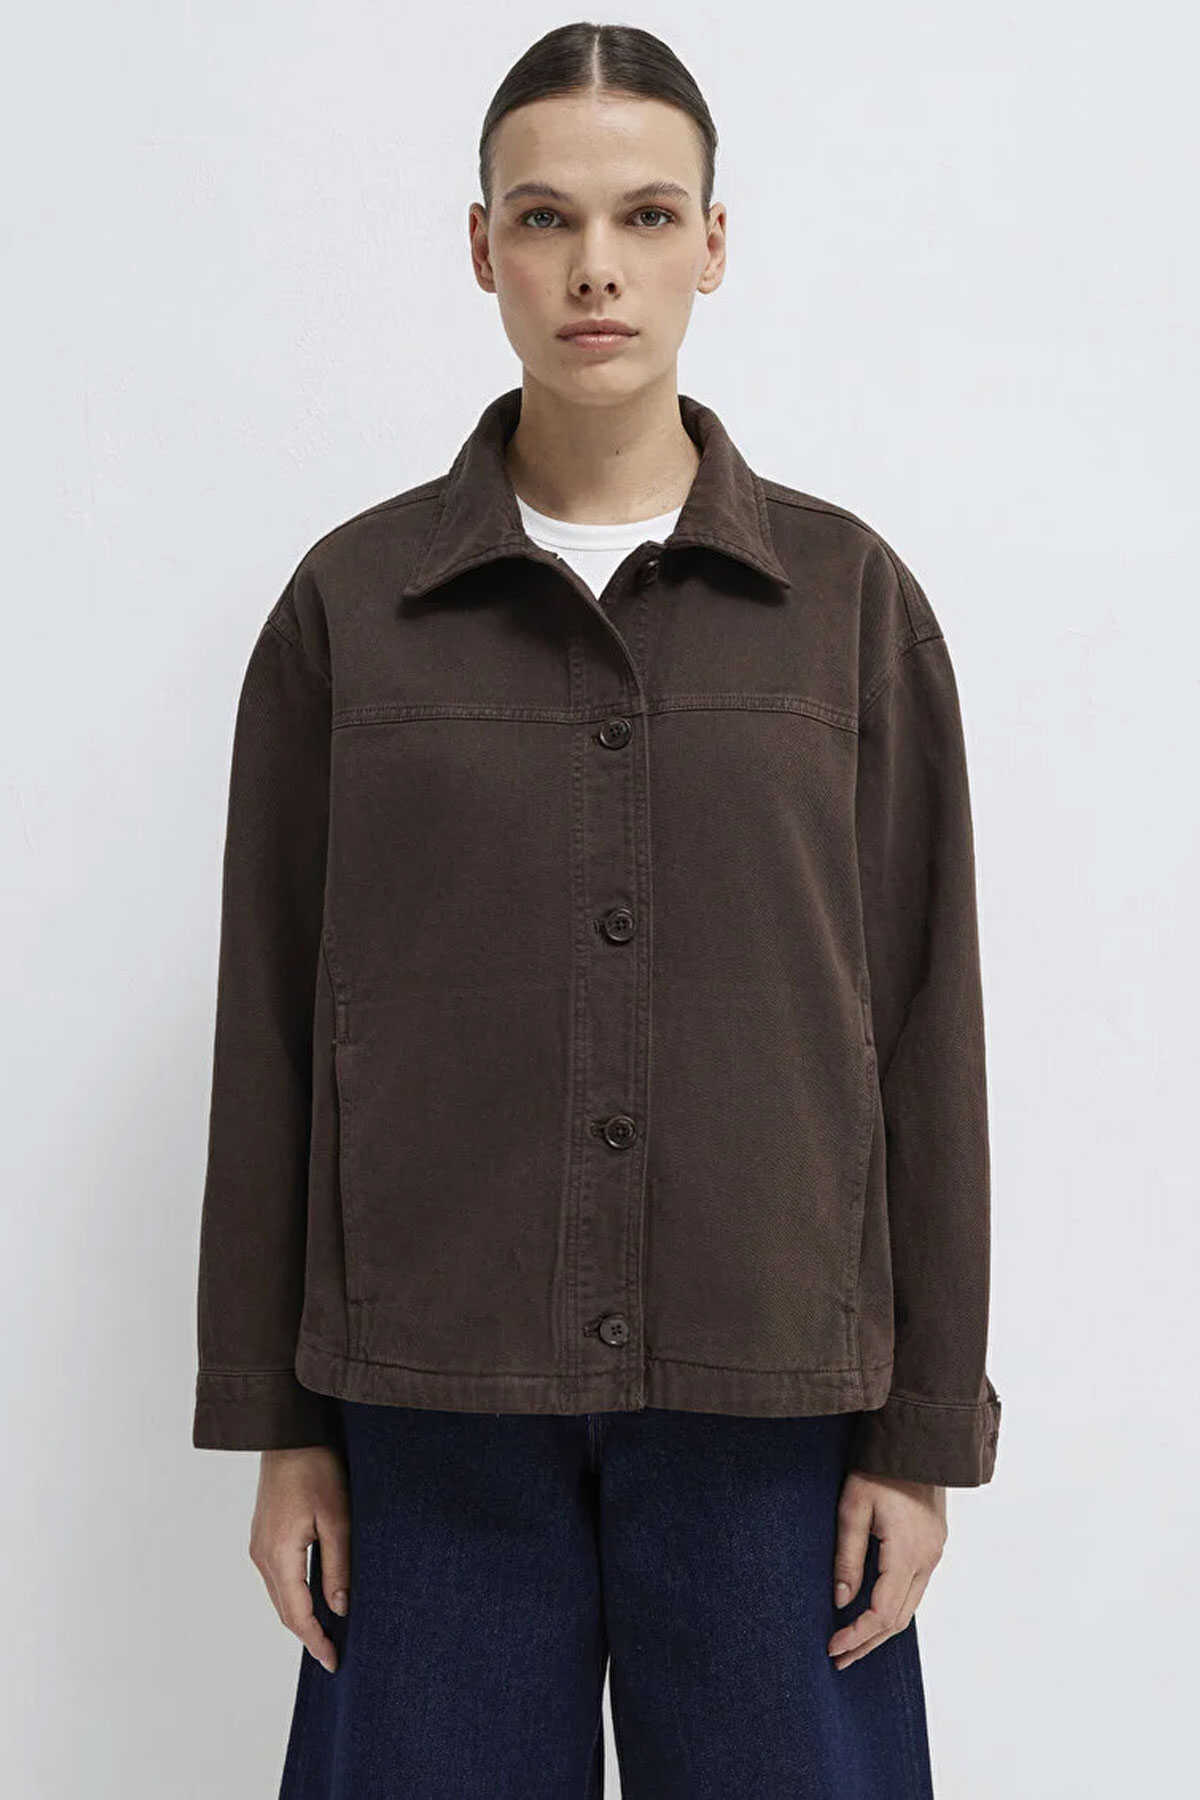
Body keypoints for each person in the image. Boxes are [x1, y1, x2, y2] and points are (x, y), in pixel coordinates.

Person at [192, 21, 1001, 1799]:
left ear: (715, 242)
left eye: (645, 215)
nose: (596, 268)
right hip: (433, 1408)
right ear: (481, 244)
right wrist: (280, 1425)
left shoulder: (850, 606)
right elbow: (272, 1022)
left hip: (775, 1407)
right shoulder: (352, 610)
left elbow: (923, 1021)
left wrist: (921, 1433)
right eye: (547, 218)